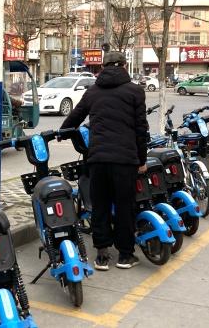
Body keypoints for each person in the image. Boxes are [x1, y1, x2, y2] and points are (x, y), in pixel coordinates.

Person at [60, 51, 147, 271]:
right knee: (125, 206)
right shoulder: (135, 91)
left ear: (102, 67)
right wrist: (142, 159)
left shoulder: (93, 91)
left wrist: (63, 133)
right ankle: (125, 255)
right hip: (126, 160)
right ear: (124, 65)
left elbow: (74, 118)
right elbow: (141, 129)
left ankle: (101, 255)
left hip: (98, 159)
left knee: (100, 206)